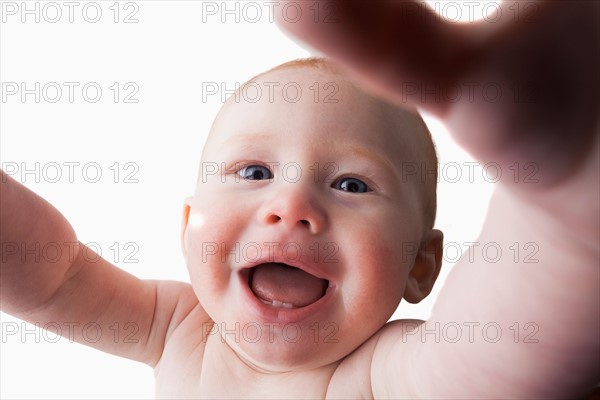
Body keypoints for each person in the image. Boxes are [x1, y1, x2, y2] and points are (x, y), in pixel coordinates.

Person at [1, 2, 598, 399]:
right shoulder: (177, 331)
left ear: (420, 264)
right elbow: (58, 282)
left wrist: (561, 218)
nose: (290, 205)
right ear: (189, 230)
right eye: (254, 170)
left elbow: (494, 352)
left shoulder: (380, 376)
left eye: (351, 184)